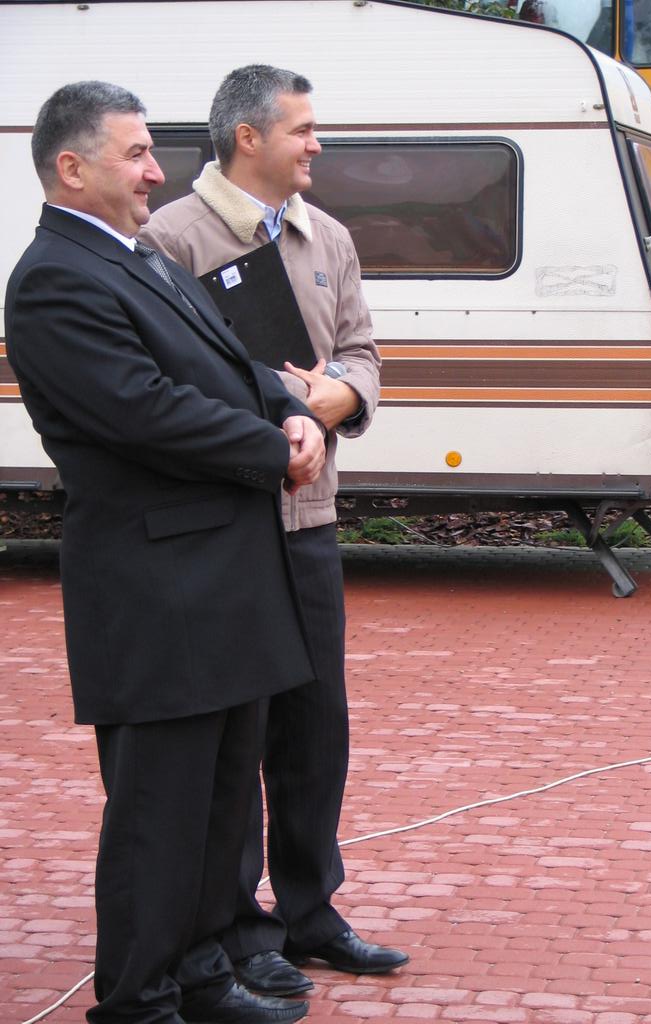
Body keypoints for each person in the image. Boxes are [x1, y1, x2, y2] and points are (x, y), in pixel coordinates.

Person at [4, 80, 329, 1024]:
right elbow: (142, 410)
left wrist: (292, 409)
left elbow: (234, 360)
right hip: (158, 592)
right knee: (160, 814)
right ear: (72, 168)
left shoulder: (136, 255)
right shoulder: (55, 277)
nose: (157, 172)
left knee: (221, 803)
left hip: (219, 583)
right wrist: (273, 448)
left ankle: (201, 974)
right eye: (138, 153)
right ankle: (138, 1000)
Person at [141, 65, 407, 998]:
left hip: (308, 520)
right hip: (227, 525)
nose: (317, 144)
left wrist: (340, 398)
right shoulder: (169, 239)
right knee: (236, 734)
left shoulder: (327, 235)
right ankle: (240, 927)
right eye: (302, 129)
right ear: (248, 137)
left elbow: (363, 353)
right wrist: (275, 414)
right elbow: (166, 388)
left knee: (314, 724)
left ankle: (311, 913)